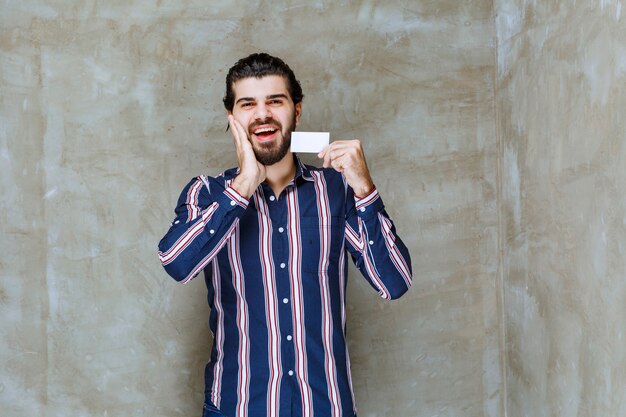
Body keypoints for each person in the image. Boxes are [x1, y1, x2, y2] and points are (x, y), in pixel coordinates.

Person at [157, 53, 412, 417]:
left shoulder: (337, 191)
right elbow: (175, 263)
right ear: (232, 119)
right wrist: (243, 186)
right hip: (238, 406)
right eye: (248, 104)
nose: (262, 114)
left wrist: (365, 190)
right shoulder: (206, 193)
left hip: (325, 406)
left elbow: (395, 282)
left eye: (275, 101)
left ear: (297, 111)